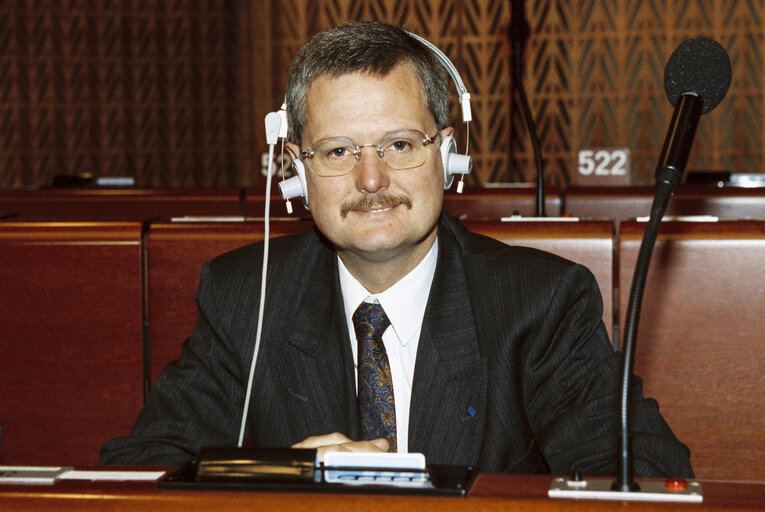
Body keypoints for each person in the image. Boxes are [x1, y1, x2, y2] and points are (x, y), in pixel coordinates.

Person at [100, 21, 692, 477]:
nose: (371, 180)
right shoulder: (244, 299)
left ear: (449, 156)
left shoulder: (538, 302)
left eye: (400, 144)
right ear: (297, 173)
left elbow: (645, 475)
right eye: (338, 152)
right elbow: (140, 471)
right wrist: (282, 480)